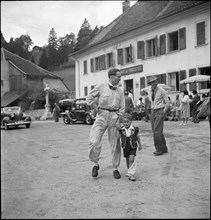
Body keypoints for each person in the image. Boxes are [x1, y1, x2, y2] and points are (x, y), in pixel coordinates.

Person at [86, 68, 125, 179]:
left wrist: (119, 120)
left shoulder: (120, 91)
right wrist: (94, 106)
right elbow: (89, 97)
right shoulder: (101, 86)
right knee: (94, 141)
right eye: (118, 76)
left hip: (114, 117)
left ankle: (115, 168)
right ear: (111, 76)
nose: (120, 79)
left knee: (115, 143)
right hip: (101, 115)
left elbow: (122, 108)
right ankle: (95, 164)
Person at [143, 76, 170, 156]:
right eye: (152, 82)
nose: (154, 83)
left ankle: (159, 149)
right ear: (150, 84)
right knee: (156, 130)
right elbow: (143, 91)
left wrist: (163, 112)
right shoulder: (149, 89)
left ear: (157, 82)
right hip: (152, 111)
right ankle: (164, 148)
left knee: (156, 130)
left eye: (155, 82)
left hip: (160, 110)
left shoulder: (162, 91)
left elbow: (167, 103)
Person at [117, 113, 142, 181]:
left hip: (133, 147)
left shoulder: (134, 129)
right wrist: (117, 129)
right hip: (125, 147)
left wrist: (140, 145)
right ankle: (129, 171)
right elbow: (118, 137)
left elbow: (137, 137)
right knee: (127, 160)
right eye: (124, 122)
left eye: (127, 122)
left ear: (131, 121)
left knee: (131, 159)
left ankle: (131, 174)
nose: (126, 123)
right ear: (122, 122)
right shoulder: (121, 130)